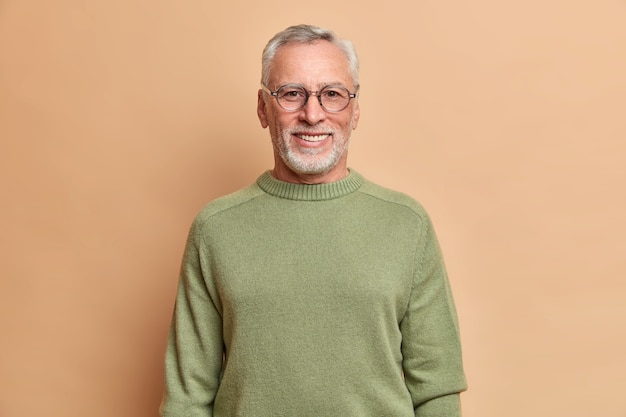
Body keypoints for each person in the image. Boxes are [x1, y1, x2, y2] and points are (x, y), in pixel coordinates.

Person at [160, 24, 467, 417]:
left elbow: (437, 389)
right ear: (262, 108)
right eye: (291, 94)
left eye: (332, 95)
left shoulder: (406, 224)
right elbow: (187, 397)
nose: (312, 113)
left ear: (354, 111)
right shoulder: (215, 228)